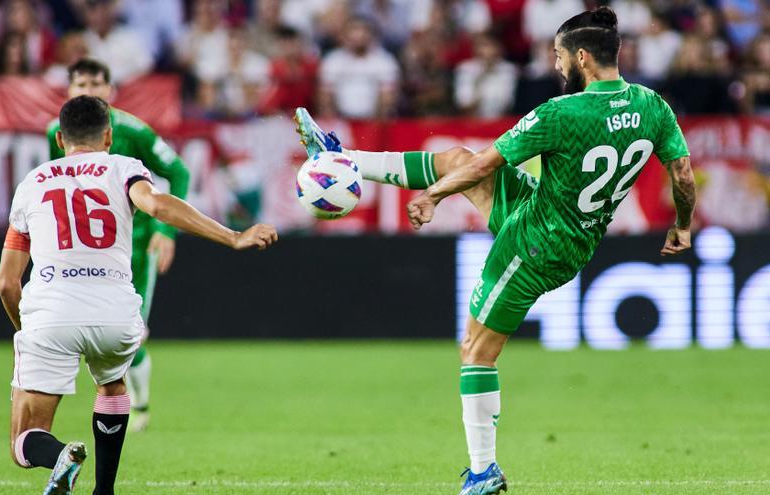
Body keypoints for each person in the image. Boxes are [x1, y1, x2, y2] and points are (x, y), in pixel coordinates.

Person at [294, 7, 695, 494]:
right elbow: (682, 175)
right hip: (560, 223)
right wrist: (683, 225)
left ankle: (484, 472)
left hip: (535, 245)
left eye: (559, 56)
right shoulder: (654, 106)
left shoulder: (560, 113)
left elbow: (488, 165)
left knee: (476, 351)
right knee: (455, 158)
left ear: (583, 58)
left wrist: (433, 195)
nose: (556, 64)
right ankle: (340, 157)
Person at [0, 95, 277, 495]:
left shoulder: (32, 183)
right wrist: (233, 236)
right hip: (117, 314)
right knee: (112, 386)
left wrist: (26, 331)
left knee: (25, 441)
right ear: (109, 136)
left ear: (60, 139)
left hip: (51, 315)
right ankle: (105, 490)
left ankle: (60, 455)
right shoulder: (124, 168)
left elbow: (7, 282)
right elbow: (158, 205)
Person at [47, 58, 190, 432]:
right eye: (82, 85)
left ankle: (139, 408)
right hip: (86, 251)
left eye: (97, 84)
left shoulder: (133, 131)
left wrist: (167, 231)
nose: (89, 92)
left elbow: (179, 171)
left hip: (136, 247)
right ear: (69, 91)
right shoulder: (56, 133)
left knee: (131, 335)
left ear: (110, 91)